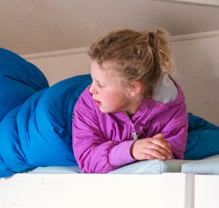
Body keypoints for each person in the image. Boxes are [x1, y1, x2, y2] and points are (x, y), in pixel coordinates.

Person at [72, 29, 188, 173]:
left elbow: (171, 156)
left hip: (136, 105)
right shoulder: (88, 102)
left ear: (133, 88)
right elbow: (87, 159)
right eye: (93, 81)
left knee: (215, 140)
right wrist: (131, 150)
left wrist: (155, 150)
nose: (92, 89)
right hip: (62, 108)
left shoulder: (170, 106)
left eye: (100, 84)